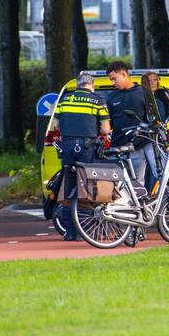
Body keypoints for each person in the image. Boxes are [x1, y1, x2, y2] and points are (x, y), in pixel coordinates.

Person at [49, 73, 110, 240]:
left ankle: (70, 232)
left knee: (69, 187)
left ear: (77, 84)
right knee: (87, 187)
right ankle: (86, 228)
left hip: (67, 147)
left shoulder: (65, 100)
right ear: (92, 85)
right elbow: (105, 129)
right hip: (87, 147)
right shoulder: (97, 101)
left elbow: (55, 125)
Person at [105, 61, 149, 190]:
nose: (113, 83)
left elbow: (151, 120)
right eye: (111, 80)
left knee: (137, 185)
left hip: (136, 148)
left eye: (114, 79)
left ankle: (138, 210)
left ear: (124, 74)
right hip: (117, 148)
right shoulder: (112, 97)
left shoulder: (143, 93)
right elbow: (108, 122)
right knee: (115, 187)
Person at [139, 71, 169, 185]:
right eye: (149, 80)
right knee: (157, 170)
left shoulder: (158, 100)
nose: (152, 83)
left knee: (155, 170)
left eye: (154, 80)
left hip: (156, 138)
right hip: (148, 138)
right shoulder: (146, 100)